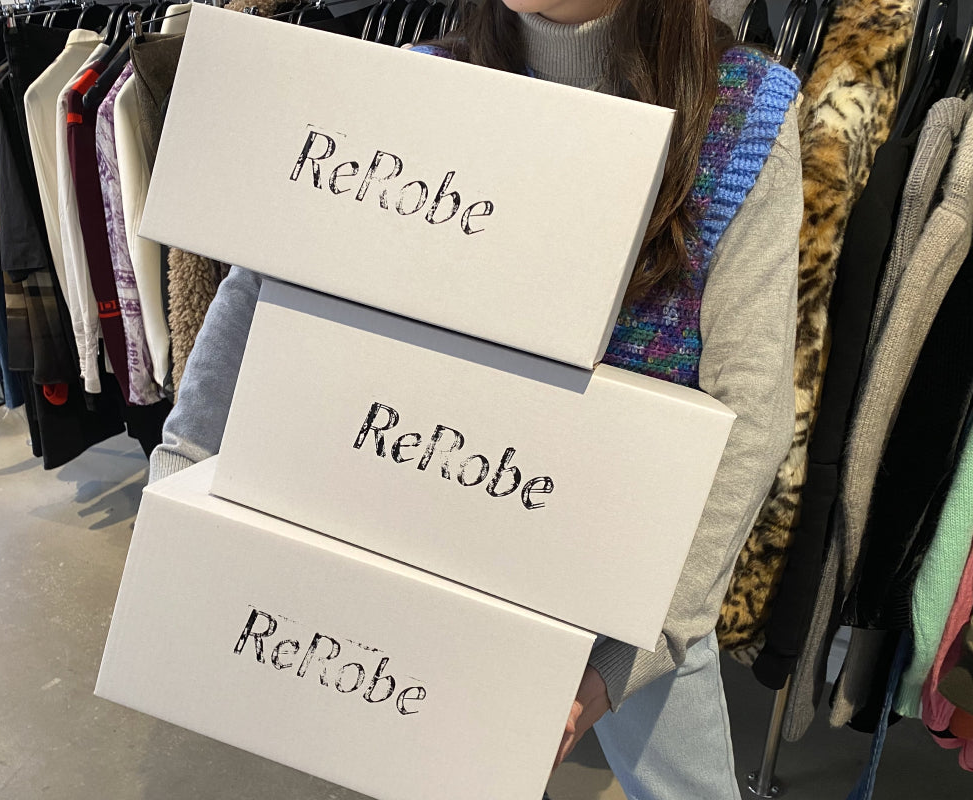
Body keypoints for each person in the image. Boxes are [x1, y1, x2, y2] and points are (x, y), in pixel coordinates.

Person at [150, 0, 802, 797]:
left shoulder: (741, 115)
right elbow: (269, 279)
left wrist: (633, 648)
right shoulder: (423, 81)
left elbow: (751, 413)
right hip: (431, 515)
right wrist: (181, 472)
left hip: (629, 567)